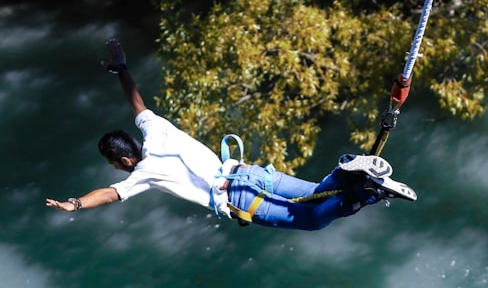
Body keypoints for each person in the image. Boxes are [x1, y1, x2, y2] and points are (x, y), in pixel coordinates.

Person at [45, 38, 416, 230]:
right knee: (318, 193)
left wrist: (75, 203)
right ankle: (351, 170)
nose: (115, 170)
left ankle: (367, 190)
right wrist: (121, 67)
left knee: (313, 219)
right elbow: (136, 102)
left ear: (125, 160)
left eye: (114, 164)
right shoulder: (154, 129)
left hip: (239, 197)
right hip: (245, 172)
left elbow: (110, 195)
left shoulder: (143, 174)